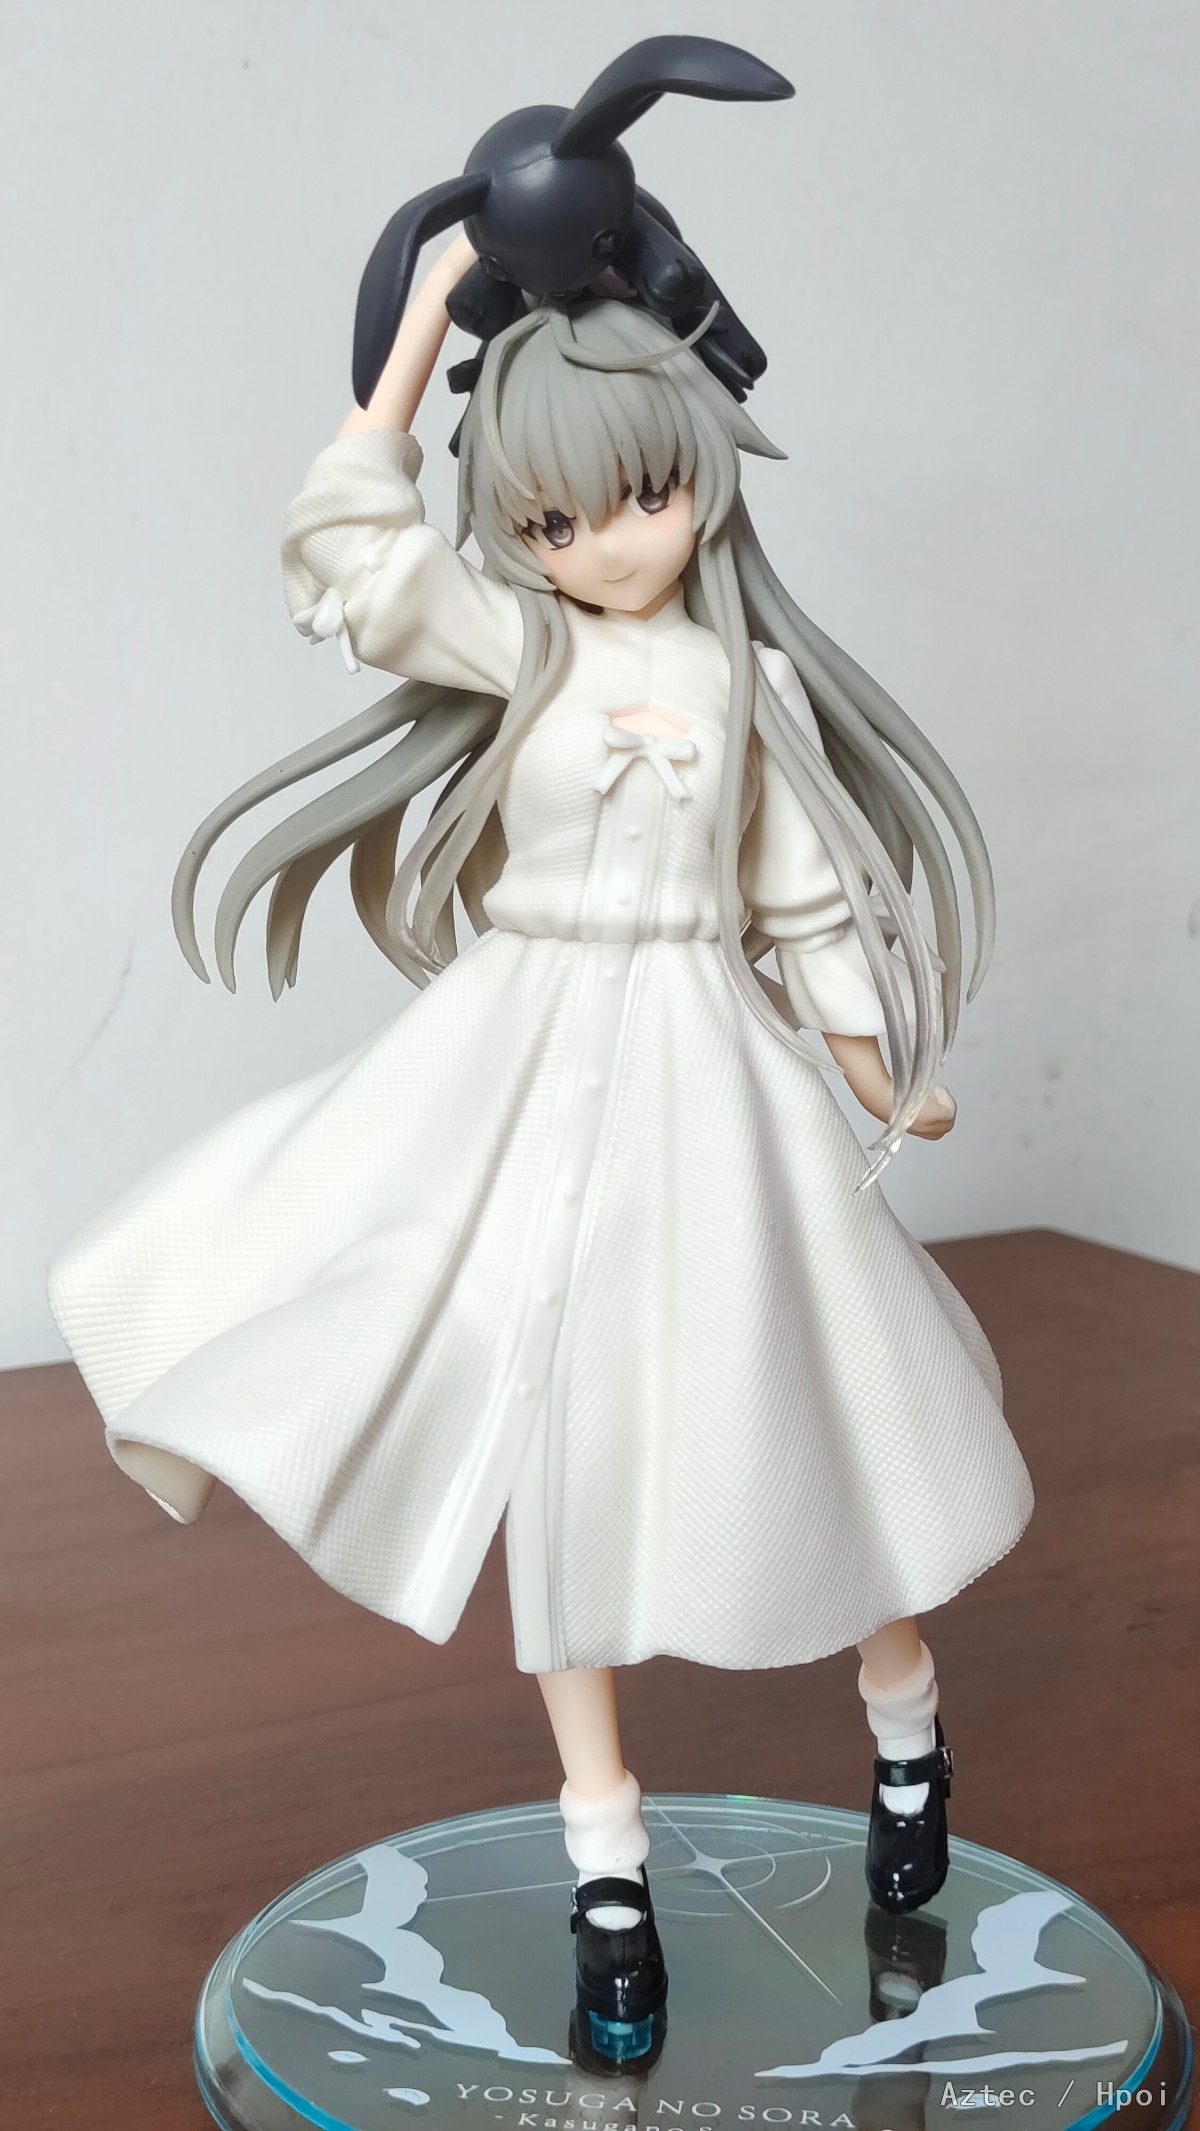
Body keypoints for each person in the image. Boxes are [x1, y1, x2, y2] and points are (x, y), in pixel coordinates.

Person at [50, 230, 1033, 2048]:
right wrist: (427, 311)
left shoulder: (749, 686)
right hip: (519, 1051)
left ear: (701, 469)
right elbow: (352, 557)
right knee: (536, 1429)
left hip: (699, 1068)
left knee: (804, 1396)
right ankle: (606, 1857)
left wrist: (876, 1065)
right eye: (558, 518)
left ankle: (904, 1724)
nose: (611, 541)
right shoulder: (520, 644)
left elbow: (804, 896)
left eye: (645, 493)